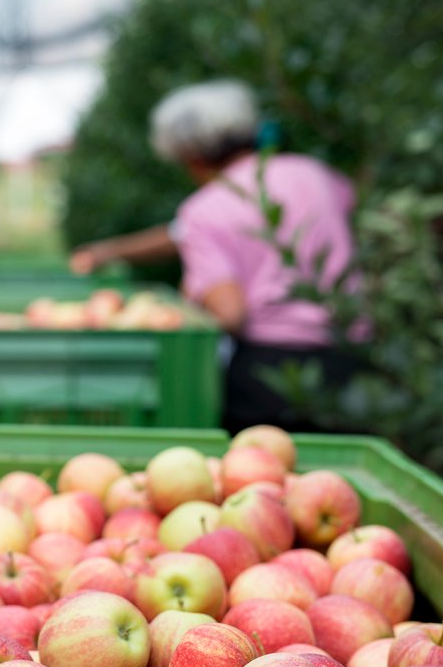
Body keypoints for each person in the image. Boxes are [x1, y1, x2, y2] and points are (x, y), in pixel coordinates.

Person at [71, 80, 360, 433]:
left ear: (191, 156)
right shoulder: (314, 174)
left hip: (270, 376)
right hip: (353, 360)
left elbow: (229, 312)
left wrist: (189, 299)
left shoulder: (206, 209)